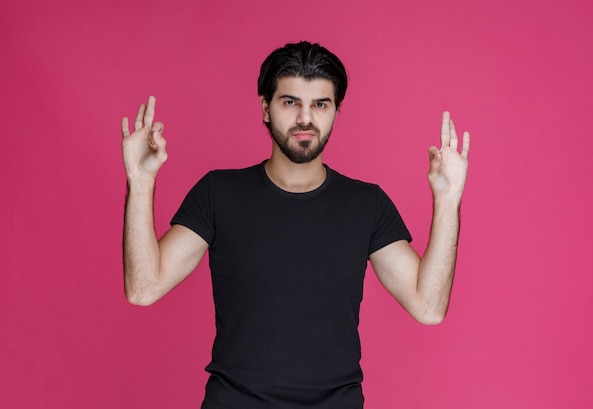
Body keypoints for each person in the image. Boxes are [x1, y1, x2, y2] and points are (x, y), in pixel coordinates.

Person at [121, 41, 470, 409]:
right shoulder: (218, 193)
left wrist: (447, 201)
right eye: (290, 102)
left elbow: (428, 307)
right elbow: (144, 287)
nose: (306, 119)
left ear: (336, 111)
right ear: (265, 108)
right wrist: (141, 183)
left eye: (320, 104)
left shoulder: (366, 204)